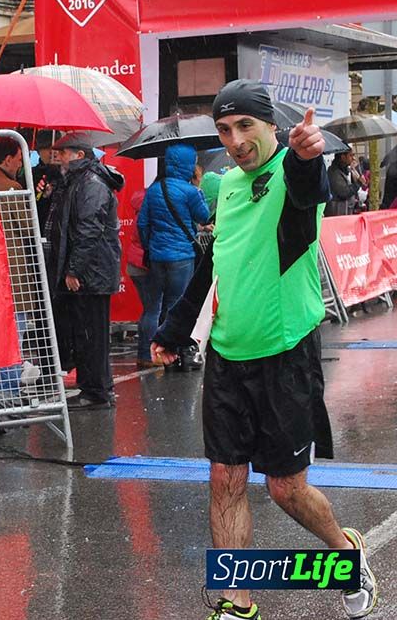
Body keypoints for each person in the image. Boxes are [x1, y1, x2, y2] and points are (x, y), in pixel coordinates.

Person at [150, 79, 376, 620]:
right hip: (229, 358)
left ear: (271, 124)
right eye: (225, 130)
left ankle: (347, 554)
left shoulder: (296, 176)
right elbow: (212, 264)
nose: (235, 140)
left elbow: (303, 196)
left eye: (245, 126)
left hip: (285, 355)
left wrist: (304, 157)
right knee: (225, 478)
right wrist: (174, 330)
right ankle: (236, 602)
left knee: (284, 489)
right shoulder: (226, 185)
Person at [44, 131, 124, 410]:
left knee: (91, 333)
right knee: (87, 332)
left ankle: (97, 392)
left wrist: (74, 269)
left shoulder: (90, 183)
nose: (60, 158)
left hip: (91, 273)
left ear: (80, 155)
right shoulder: (80, 181)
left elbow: (89, 229)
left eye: (64, 153)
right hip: (91, 271)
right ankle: (95, 389)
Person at [137, 143, 211, 371]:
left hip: (158, 256)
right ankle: (174, 354)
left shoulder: (154, 190)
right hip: (181, 256)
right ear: (189, 165)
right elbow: (204, 216)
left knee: (152, 307)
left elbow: (142, 224)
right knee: (176, 305)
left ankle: (144, 354)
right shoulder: (190, 191)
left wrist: (150, 246)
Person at [127, 188, 159, 369]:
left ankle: (143, 354)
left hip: (135, 264)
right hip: (146, 264)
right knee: (153, 309)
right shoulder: (151, 212)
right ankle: (148, 355)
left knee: (148, 310)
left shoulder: (141, 207)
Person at [32, 129, 63, 226]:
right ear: (38, 151)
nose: (52, 151)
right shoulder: (31, 174)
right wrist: (42, 196)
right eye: (46, 147)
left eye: (56, 147)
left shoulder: (66, 172)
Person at [326, 150, 361, 216]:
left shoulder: (345, 170)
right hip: (338, 212)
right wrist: (358, 184)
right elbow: (344, 192)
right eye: (351, 155)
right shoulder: (334, 172)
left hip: (345, 210)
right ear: (343, 157)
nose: (353, 158)